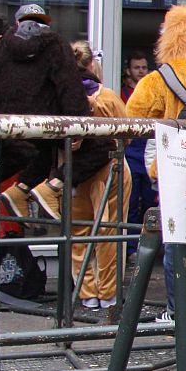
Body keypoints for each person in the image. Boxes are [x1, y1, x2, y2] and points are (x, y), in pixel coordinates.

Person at [125, 4, 186, 324]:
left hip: (173, 166)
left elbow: (131, 116)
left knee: (175, 238)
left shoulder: (159, 78)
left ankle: (177, 308)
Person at [0, 4, 92, 219]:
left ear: (18, 23)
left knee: (32, 154)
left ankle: (20, 191)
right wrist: (79, 125)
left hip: (5, 127)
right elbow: (69, 87)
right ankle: (50, 187)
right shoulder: (56, 44)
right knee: (102, 146)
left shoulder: (1, 47)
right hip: (45, 123)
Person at [69, 41, 132, 311]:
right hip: (110, 168)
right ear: (93, 64)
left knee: (79, 231)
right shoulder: (106, 97)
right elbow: (128, 132)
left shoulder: (64, 97)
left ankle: (86, 292)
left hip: (75, 171)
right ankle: (108, 293)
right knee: (109, 230)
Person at [120, 50, 155, 257]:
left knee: (151, 203)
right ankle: (131, 249)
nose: (141, 71)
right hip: (131, 152)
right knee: (131, 204)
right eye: (136, 68)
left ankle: (150, 249)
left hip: (149, 150)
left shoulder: (151, 90)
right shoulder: (122, 93)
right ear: (128, 70)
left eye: (144, 67)